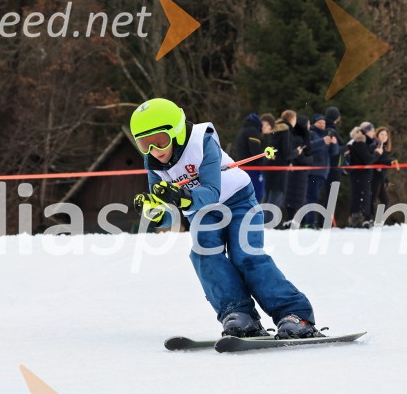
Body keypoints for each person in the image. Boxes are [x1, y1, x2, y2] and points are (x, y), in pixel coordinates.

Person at [130, 98, 319, 339]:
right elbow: (168, 214)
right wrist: (155, 214)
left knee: (246, 256)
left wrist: (181, 196)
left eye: (159, 141)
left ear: (176, 131)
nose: (154, 151)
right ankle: (239, 314)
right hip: (203, 212)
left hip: (238, 200)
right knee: (204, 254)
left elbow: (210, 192)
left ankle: (294, 314)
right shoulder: (154, 164)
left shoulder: (202, 140)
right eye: (144, 144)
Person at [302, 113, 339, 228]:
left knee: (315, 197)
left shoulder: (327, 134)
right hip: (313, 171)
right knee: (311, 197)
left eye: (324, 123)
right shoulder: (311, 133)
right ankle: (309, 222)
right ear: (314, 123)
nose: (322, 125)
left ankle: (310, 221)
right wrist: (323, 141)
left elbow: (334, 153)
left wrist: (334, 144)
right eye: (320, 122)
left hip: (323, 172)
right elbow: (308, 147)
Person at [263, 110, 299, 225]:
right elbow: (287, 152)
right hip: (279, 169)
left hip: (270, 167)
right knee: (276, 196)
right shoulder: (286, 131)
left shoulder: (275, 130)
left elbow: (275, 150)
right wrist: (297, 152)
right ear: (292, 119)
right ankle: (268, 223)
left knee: (267, 195)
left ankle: (262, 222)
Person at [346, 122, 383, 228]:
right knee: (361, 196)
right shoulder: (360, 143)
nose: (373, 133)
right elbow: (368, 160)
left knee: (361, 196)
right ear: (366, 132)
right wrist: (377, 153)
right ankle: (359, 219)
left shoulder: (362, 143)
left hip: (360, 175)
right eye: (371, 131)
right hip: (360, 175)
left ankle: (360, 218)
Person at [282, 114, 312, 228]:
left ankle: (290, 220)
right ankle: (291, 220)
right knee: (295, 197)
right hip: (297, 173)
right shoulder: (299, 139)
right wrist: (310, 159)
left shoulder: (295, 136)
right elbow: (300, 157)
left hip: (297, 172)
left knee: (294, 197)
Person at [234, 112, 266, 201]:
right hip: (253, 169)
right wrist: (265, 157)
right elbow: (256, 152)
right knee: (256, 196)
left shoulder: (242, 131)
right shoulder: (253, 131)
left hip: (242, 168)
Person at [370, 127, 398, 219]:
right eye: (381, 134)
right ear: (377, 135)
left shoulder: (384, 148)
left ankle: (377, 220)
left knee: (385, 200)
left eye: (385, 135)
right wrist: (390, 162)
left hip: (381, 178)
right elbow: (376, 161)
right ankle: (368, 219)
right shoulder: (374, 146)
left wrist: (386, 179)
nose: (384, 136)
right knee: (372, 200)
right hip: (374, 177)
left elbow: (383, 162)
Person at [322, 106, 344, 216]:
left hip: (328, 166)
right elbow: (333, 149)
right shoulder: (331, 130)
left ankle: (325, 221)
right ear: (337, 117)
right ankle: (325, 221)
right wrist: (346, 148)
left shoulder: (327, 128)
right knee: (331, 195)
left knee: (328, 194)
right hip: (333, 167)